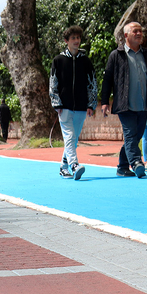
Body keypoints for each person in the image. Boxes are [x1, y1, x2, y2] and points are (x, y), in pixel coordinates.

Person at [100, 22, 147, 178]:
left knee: (136, 136)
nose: (139, 33)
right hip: (125, 105)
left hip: (143, 104)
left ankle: (122, 167)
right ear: (126, 35)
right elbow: (107, 79)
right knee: (130, 135)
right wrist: (104, 101)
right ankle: (136, 162)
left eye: (140, 31)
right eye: (135, 31)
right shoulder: (116, 55)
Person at [49, 25, 97, 180]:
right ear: (66, 41)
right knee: (69, 136)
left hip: (82, 106)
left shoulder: (86, 61)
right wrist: (57, 103)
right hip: (65, 106)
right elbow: (53, 83)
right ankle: (74, 165)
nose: (76, 41)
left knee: (74, 138)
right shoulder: (58, 61)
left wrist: (91, 104)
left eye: (78, 38)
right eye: (73, 38)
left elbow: (92, 84)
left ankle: (63, 167)